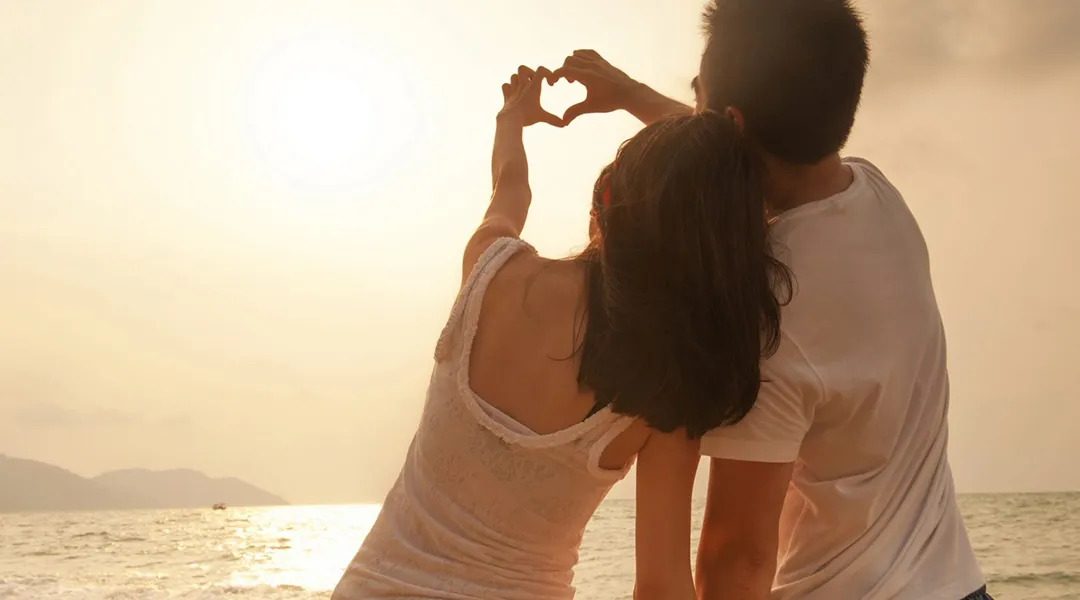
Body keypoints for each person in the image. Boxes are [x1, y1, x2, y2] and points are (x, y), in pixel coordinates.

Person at [548, 1, 990, 599]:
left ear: (729, 122)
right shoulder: (880, 198)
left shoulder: (762, 307)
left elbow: (740, 556)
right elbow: (737, 151)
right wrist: (633, 94)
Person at [331, 65, 791, 600]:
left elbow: (511, 187)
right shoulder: (665, 393)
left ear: (607, 195)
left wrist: (511, 121)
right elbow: (662, 587)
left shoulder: (490, 271)